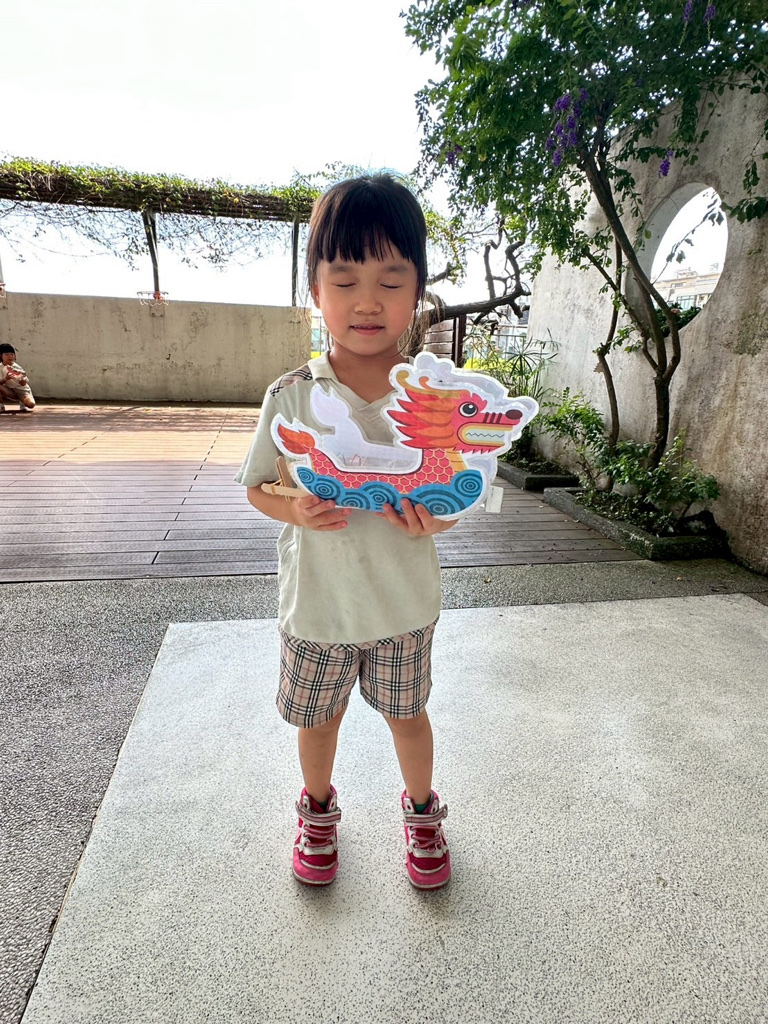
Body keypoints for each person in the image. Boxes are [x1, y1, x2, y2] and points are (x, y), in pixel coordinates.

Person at [235, 174, 455, 889]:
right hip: (319, 609)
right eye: (345, 279)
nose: (368, 301)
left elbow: (454, 493)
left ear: (416, 291)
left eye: (391, 280)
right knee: (318, 722)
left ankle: (421, 811)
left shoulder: (433, 399)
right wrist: (295, 510)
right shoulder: (290, 395)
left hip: (402, 606)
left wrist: (437, 516)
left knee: (408, 718)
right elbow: (256, 487)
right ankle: (318, 809)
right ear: (315, 290)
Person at [0, 344, 35, 412]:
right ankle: (1, 406)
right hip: (9, 391)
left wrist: (22, 380)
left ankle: (22, 402)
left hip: (22, 391)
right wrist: (6, 379)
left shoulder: (17, 368)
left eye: (12, 354)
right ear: (1, 355)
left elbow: (23, 384)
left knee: (31, 404)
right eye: (7, 354)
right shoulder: (0, 367)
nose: (10, 356)